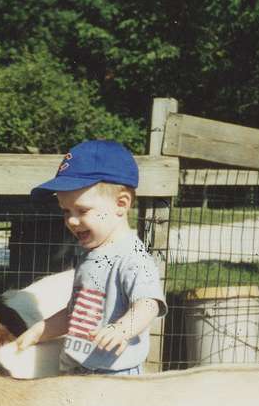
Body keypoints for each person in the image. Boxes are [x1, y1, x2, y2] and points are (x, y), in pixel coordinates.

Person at [15, 139, 166, 375]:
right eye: (66, 211)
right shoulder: (90, 254)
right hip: (77, 368)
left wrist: (122, 329)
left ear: (121, 203)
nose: (71, 221)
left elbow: (149, 304)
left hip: (114, 374)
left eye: (82, 210)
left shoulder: (133, 257)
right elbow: (75, 314)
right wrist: (40, 330)